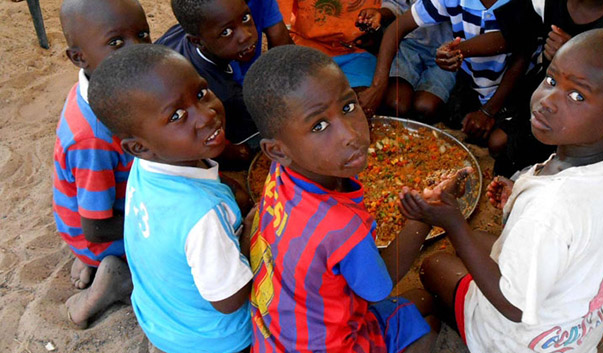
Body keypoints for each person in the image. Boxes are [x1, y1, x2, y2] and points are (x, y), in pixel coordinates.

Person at [401, 30, 603, 353]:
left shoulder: (549, 211)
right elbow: (571, 235)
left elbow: (513, 306)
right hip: (577, 330)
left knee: (436, 266)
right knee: (480, 249)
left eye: (576, 95)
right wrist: (516, 199)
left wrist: (455, 223)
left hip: (522, 347)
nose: (547, 101)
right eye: (552, 79)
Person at [240, 45, 463, 353]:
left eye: (348, 106)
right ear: (278, 149)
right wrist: (422, 216)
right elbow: (380, 288)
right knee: (422, 307)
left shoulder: (278, 176)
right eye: (319, 125)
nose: (350, 134)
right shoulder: (341, 227)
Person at [88, 45, 254, 353]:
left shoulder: (147, 169)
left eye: (200, 93)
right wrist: (254, 231)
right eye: (177, 116)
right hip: (214, 332)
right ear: (138, 146)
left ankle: (164, 343)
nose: (207, 114)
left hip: (156, 314)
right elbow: (230, 301)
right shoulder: (201, 216)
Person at [439, 0, 603, 177]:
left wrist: (573, 56)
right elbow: (512, 35)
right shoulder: (545, 3)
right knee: (497, 144)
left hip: (580, 117)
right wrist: (458, 50)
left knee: (515, 154)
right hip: (542, 92)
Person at [54, 0, 151, 329]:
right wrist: (158, 223)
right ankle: (114, 277)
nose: (136, 50)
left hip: (97, 215)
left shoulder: (103, 86)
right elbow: (94, 225)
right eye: (116, 43)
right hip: (98, 231)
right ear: (79, 58)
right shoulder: (93, 136)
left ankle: (93, 261)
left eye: (142, 35)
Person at [358, 0, 531, 152]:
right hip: (474, 81)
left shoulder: (522, 5)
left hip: (513, 89)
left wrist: (487, 111)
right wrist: (377, 86)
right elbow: (399, 26)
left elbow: (519, 50)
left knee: (497, 142)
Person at [157, 0, 291, 155]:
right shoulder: (226, 95)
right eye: (226, 32)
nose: (246, 35)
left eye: (246, 18)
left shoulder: (178, 35)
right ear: (197, 41)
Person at [356, 0, 456, 122]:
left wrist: (378, 86)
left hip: (448, 51)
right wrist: (380, 14)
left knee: (425, 107)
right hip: (409, 43)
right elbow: (396, 6)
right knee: (396, 103)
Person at [276, 0, 383, 89]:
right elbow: (279, 27)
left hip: (357, 54)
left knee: (353, 102)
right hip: (305, 50)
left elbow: (393, 8)